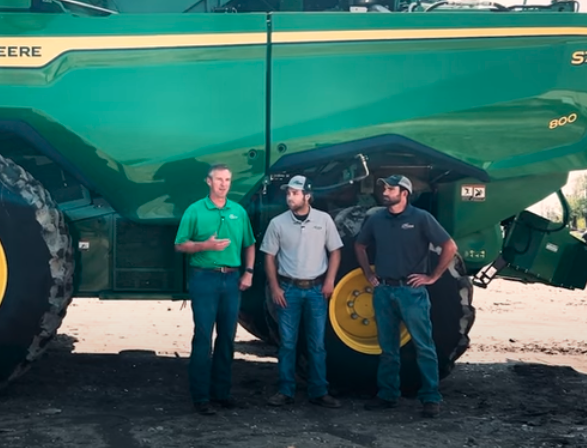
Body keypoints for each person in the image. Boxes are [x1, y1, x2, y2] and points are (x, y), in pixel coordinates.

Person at [353, 174, 458, 419]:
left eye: (391, 189)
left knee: (424, 346)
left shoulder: (421, 218)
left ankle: (431, 397)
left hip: (412, 293)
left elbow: (449, 246)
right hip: (384, 291)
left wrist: (432, 277)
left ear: (404, 193)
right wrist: (368, 273)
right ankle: (388, 394)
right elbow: (360, 246)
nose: (386, 192)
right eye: (385, 188)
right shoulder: (377, 219)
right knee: (388, 348)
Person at [174, 164, 256, 415]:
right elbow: (180, 245)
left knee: (227, 338)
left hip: (231, 280)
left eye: (228, 180)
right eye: (219, 179)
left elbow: (250, 244)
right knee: (203, 338)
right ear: (208, 182)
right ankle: (200, 397)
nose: (223, 184)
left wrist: (249, 273)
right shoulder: (195, 210)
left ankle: (222, 393)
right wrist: (204, 246)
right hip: (204, 279)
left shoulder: (238, 211)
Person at [260, 175, 343, 408]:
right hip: (288, 290)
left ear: (307, 195)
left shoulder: (324, 220)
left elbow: (335, 251)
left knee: (317, 344)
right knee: (287, 343)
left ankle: (319, 391)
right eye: (288, 193)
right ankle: (286, 390)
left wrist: (330, 281)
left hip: (317, 290)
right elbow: (269, 256)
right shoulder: (278, 223)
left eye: (295, 193)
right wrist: (275, 287)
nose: (290, 197)